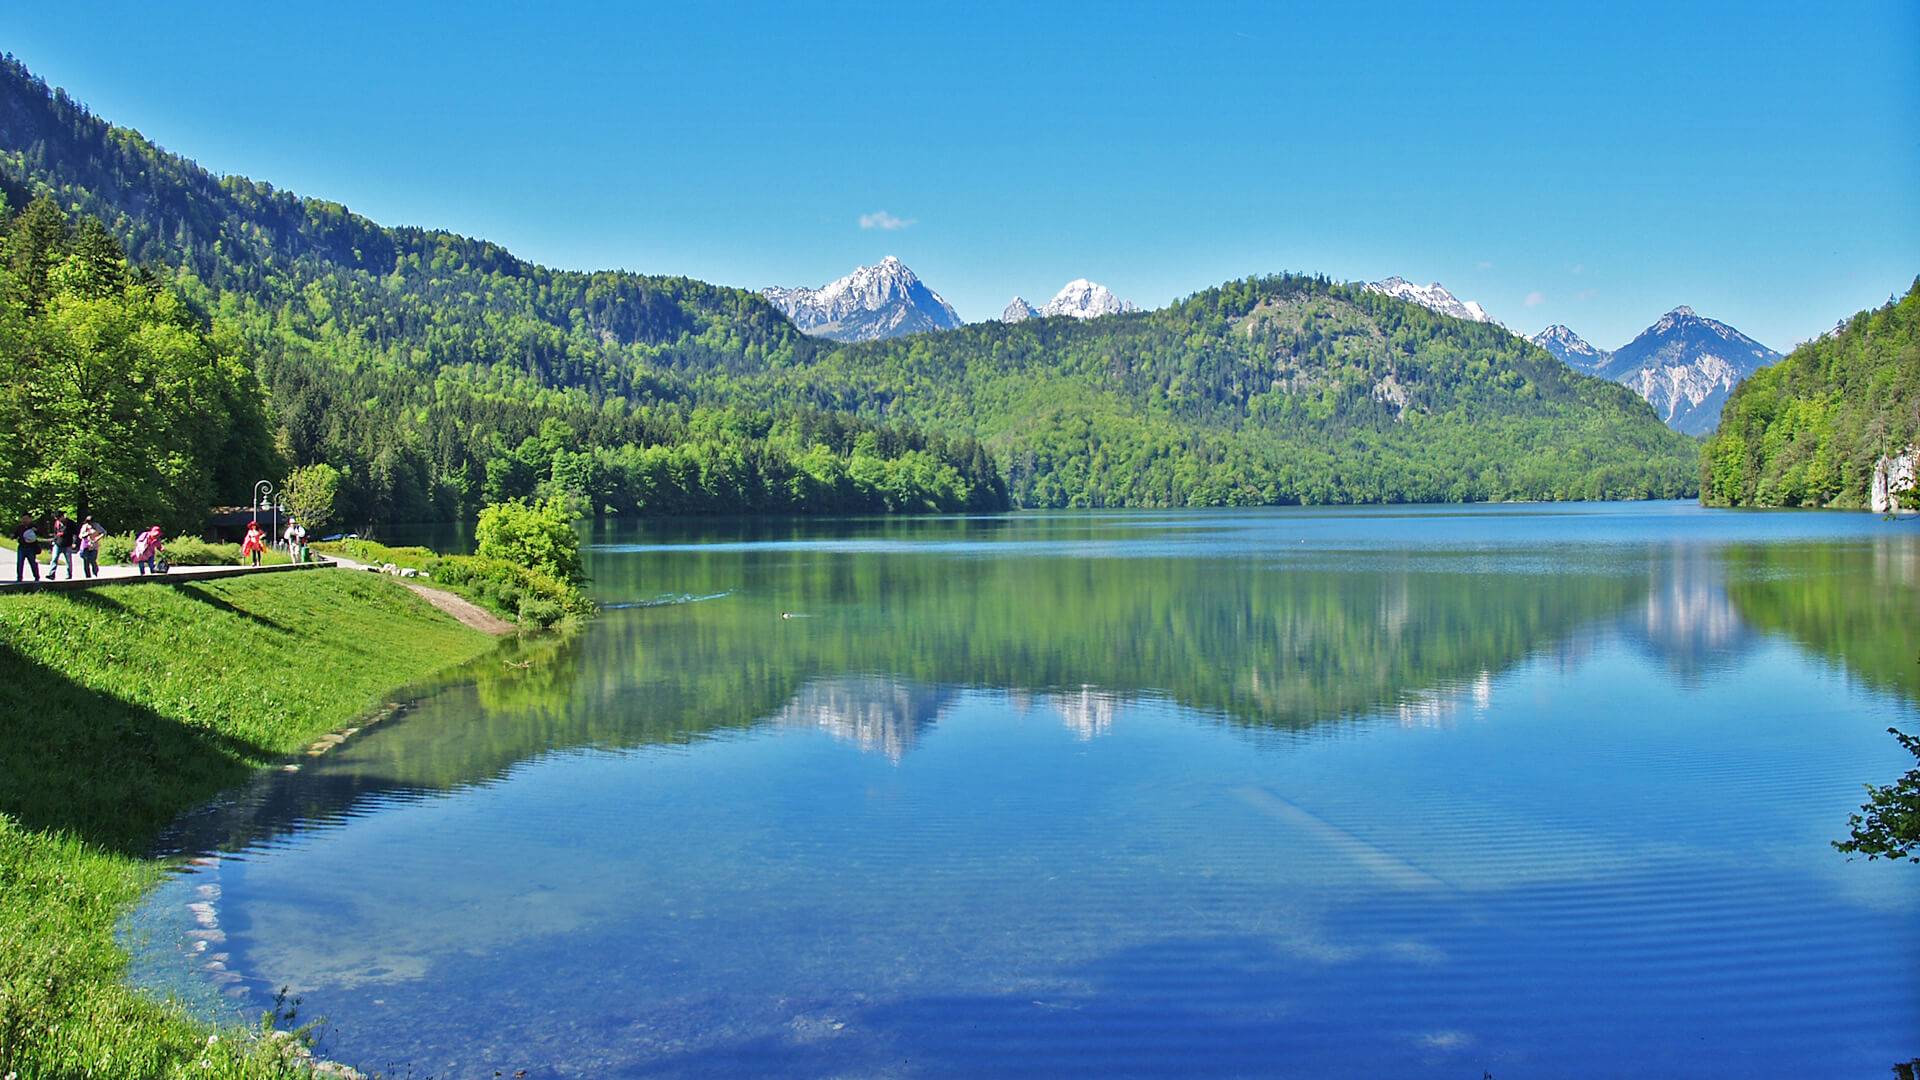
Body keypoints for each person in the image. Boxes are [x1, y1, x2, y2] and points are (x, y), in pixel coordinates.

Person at [11, 513, 41, 582]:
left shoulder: (34, 526)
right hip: (21, 547)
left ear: (30, 519)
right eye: (23, 519)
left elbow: (40, 533)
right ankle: (19, 578)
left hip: (31, 547)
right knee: (20, 562)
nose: (24, 520)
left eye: (26, 519)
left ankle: (36, 577)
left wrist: (36, 531)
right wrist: (13, 536)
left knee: (32, 562)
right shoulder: (20, 527)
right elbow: (15, 535)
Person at [48, 510, 74, 580]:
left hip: (67, 544)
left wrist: (74, 542)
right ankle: (51, 574)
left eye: (59, 518)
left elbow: (75, 533)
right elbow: (55, 533)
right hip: (58, 544)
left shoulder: (70, 523)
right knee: (54, 559)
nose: (58, 520)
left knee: (68, 561)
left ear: (63, 516)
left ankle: (69, 575)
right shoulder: (56, 523)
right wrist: (54, 541)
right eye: (57, 518)